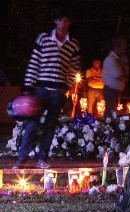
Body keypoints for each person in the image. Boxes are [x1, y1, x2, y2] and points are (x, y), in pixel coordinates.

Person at [14, 6, 81, 169]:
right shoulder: (43, 38)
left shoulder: (73, 44)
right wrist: (28, 87)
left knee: (50, 126)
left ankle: (42, 158)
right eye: (61, 20)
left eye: (67, 20)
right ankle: (21, 159)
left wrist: (67, 86)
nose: (64, 23)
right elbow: (34, 63)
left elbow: (74, 67)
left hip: (58, 92)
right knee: (32, 124)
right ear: (56, 21)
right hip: (41, 90)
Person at [101, 37, 129, 118]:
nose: (124, 50)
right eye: (123, 48)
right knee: (111, 111)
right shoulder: (111, 59)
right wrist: (125, 79)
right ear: (117, 47)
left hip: (115, 90)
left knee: (113, 111)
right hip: (111, 90)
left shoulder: (119, 60)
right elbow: (120, 75)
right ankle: (108, 124)